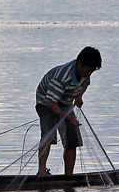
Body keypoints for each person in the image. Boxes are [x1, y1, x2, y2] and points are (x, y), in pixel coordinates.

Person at [35, 46, 102, 176]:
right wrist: (67, 117)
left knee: (72, 140)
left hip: (65, 103)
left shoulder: (85, 74)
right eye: (88, 70)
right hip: (46, 101)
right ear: (80, 64)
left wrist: (79, 97)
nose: (89, 74)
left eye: (92, 72)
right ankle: (41, 171)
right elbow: (52, 104)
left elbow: (85, 84)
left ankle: (69, 176)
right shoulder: (62, 77)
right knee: (49, 135)